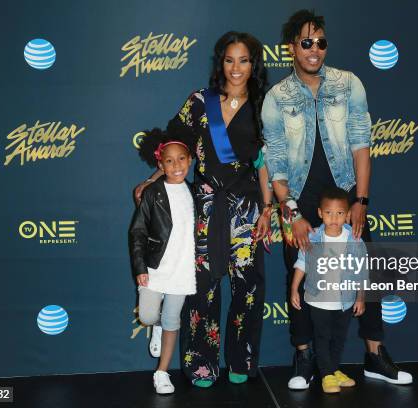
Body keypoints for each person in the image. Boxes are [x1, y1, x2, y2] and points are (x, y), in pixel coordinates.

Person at [262, 9, 413, 388]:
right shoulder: (276, 97)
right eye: (306, 43)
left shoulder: (349, 84)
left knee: (367, 271)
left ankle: (375, 356)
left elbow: (362, 144)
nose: (315, 50)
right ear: (292, 48)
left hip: (345, 195)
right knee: (300, 270)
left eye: (321, 42)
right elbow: (276, 164)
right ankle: (304, 358)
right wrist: (292, 211)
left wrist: (361, 200)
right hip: (295, 199)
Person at [134, 31, 272, 388]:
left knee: (248, 288)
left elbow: (269, 162)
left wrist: (268, 209)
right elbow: (173, 146)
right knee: (202, 289)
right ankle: (201, 364)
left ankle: (241, 359)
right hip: (205, 208)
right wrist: (152, 181)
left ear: (253, 64)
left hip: (247, 209)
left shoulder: (266, 105)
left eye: (243, 60)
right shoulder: (200, 101)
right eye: (229, 60)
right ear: (220, 63)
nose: (236, 68)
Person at [129, 129, 196, 394]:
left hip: (183, 269)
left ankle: (162, 372)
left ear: (190, 160)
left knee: (172, 320)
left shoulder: (195, 193)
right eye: (169, 161)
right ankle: (155, 325)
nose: (176, 165)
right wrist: (140, 268)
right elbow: (137, 232)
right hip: (155, 268)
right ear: (160, 164)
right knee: (147, 315)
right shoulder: (152, 193)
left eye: (181, 159)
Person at [290, 187, 367, 393]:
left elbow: (361, 270)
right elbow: (302, 263)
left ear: (348, 215)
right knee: (322, 337)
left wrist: (360, 297)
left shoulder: (355, 238)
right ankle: (326, 375)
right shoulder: (313, 237)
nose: (334, 218)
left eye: (340, 213)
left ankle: (333, 369)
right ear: (319, 213)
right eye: (329, 213)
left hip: (345, 298)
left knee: (339, 337)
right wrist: (294, 289)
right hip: (319, 299)